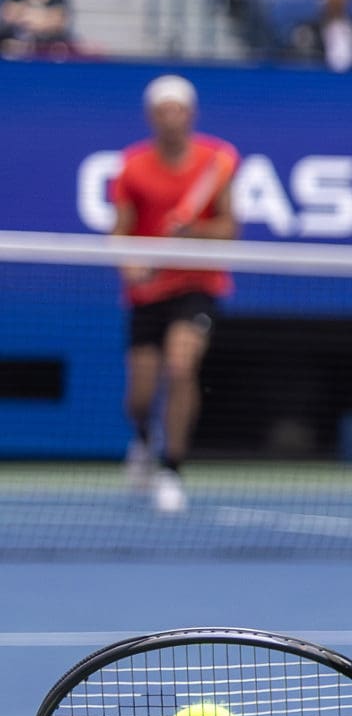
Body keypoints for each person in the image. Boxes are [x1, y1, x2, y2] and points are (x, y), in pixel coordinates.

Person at [109, 76, 237, 515]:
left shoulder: (216, 161)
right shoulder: (132, 167)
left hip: (197, 287)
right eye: (163, 110)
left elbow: (229, 229)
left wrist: (195, 231)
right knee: (140, 397)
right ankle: (144, 440)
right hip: (147, 294)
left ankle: (172, 470)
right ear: (151, 117)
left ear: (191, 114)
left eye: (178, 109)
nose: (171, 118)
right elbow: (120, 232)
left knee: (182, 367)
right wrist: (133, 269)